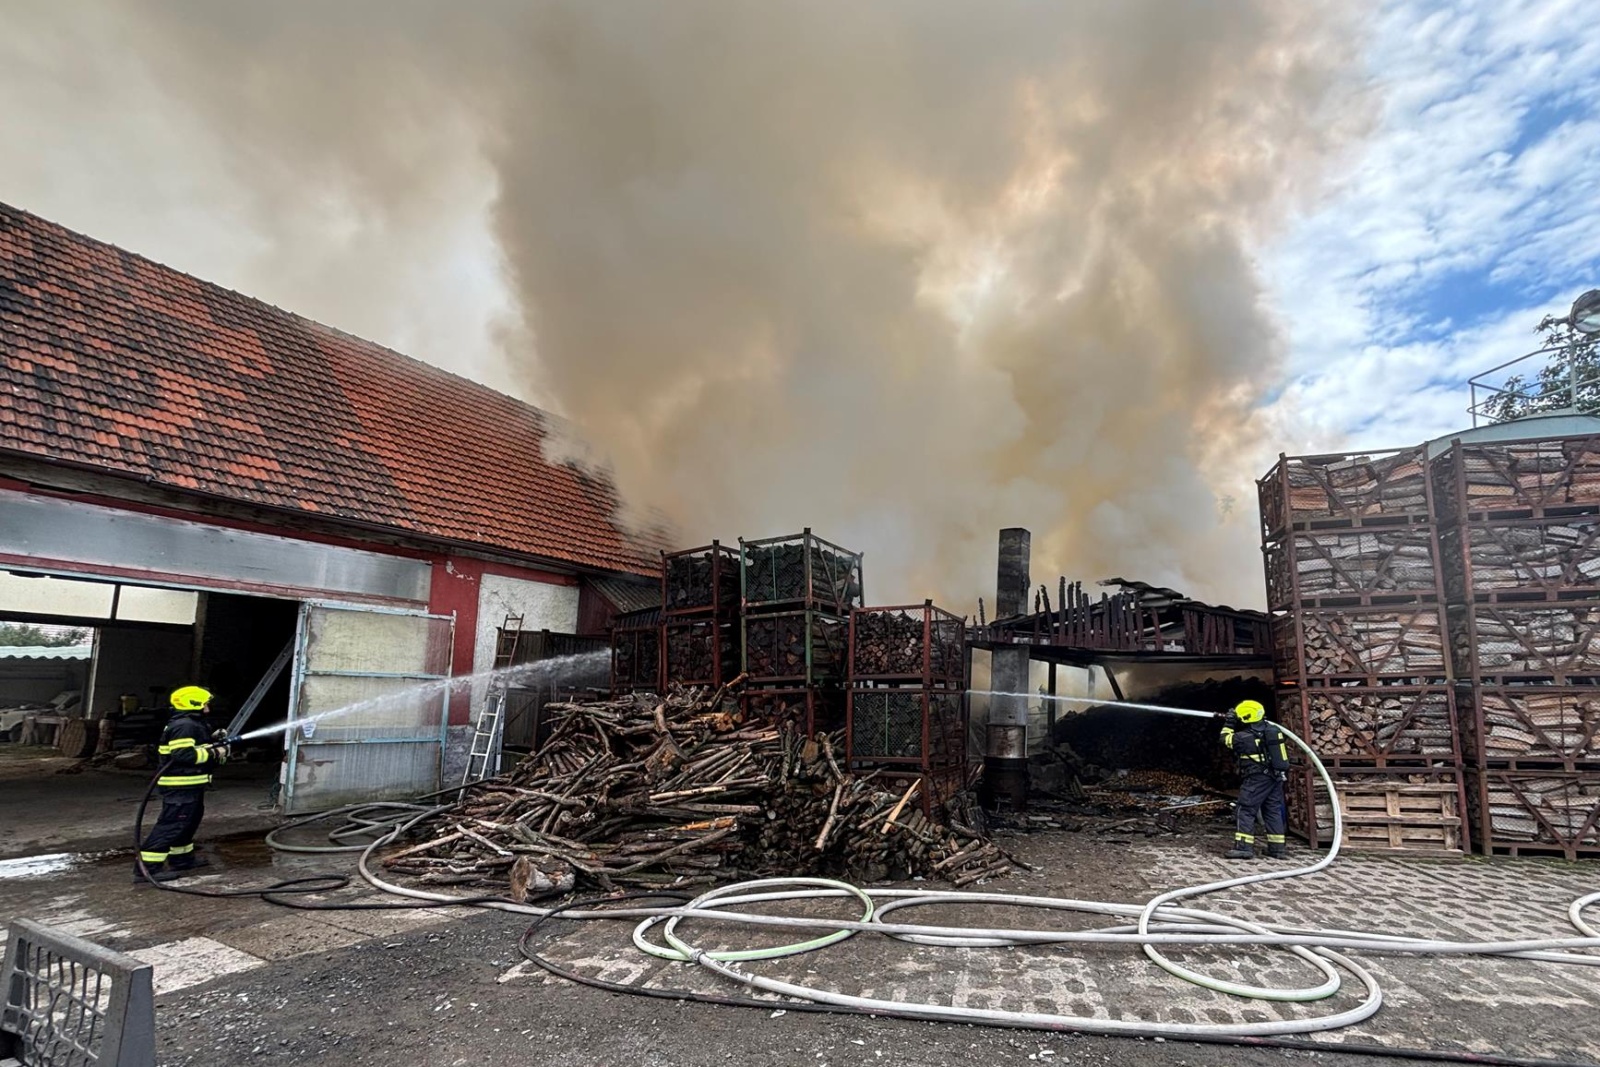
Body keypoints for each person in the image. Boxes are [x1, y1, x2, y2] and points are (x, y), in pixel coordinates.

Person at [135, 685, 229, 884]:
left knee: (187, 823)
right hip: (180, 787)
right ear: (193, 703)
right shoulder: (185, 725)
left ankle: (182, 859)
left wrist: (212, 740)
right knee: (172, 825)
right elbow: (183, 755)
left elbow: (191, 746)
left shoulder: (192, 724)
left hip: (191, 786)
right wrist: (215, 753)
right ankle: (148, 868)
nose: (208, 708)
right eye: (205, 704)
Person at [1219, 699, 1289, 860]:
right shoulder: (1273, 730)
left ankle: (1243, 848)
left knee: (1245, 809)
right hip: (1275, 777)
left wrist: (1229, 722)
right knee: (1272, 811)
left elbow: (1224, 739)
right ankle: (1277, 849)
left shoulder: (1244, 737)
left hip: (1257, 778)